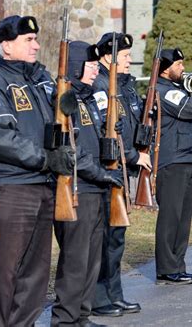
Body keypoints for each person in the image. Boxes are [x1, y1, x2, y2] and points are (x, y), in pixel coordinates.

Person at [0, 15, 74, 326]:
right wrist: (45, 159)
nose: (36, 45)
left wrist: (70, 101)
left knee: (36, 271)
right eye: (28, 40)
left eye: (36, 39)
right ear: (7, 46)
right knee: (4, 271)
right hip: (14, 187)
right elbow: (1, 135)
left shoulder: (40, 79)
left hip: (44, 185)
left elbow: (60, 118)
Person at [51, 40, 125, 327]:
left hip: (97, 187)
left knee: (93, 257)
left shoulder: (90, 97)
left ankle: (81, 315)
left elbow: (94, 139)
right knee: (76, 258)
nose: (96, 71)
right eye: (91, 65)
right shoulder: (65, 98)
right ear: (75, 67)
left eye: (96, 65)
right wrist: (99, 172)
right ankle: (65, 319)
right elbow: (71, 148)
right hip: (78, 188)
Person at [91, 33, 151, 317]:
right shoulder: (101, 85)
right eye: (125, 55)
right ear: (108, 57)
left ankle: (114, 294)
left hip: (122, 171)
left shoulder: (124, 86)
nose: (129, 60)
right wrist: (132, 156)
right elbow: (109, 133)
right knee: (106, 238)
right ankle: (100, 297)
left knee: (117, 238)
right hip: (108, 168)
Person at [154, 48, 192, 285]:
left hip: (185, 156)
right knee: (171, 216)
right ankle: (168, 267)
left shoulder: (174, 89)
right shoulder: (164, 91)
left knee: (183, 217)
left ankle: (177, 265)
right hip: (173, 159)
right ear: (166, 69)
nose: (183, 68)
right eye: (178, 64)